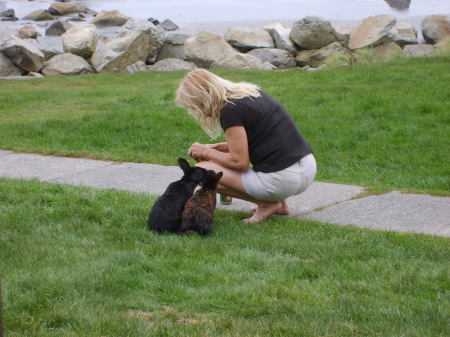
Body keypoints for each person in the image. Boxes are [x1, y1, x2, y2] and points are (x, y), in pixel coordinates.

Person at [175, 69, 316, 223]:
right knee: (210, 164)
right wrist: (214, 148)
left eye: (197, 106)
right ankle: (281, 205)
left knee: (200, 173)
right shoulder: (251, 93)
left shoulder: (230, 110)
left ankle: (266, 204)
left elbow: (240, 163)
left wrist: (206, 152)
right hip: (306, 168)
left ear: (205, 97)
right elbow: (253, 141)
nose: (199, 112)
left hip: (282, 180)